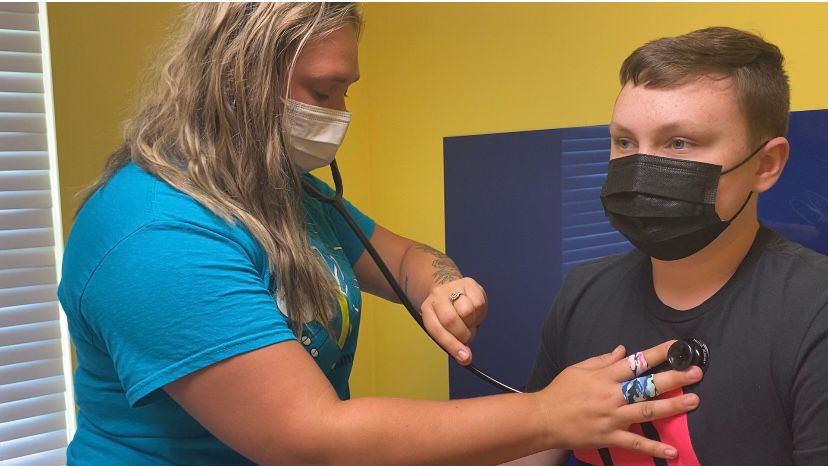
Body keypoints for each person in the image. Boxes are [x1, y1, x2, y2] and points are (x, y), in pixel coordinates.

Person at [57, 4, 702, 465]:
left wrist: (440, 287)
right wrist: (549, 413)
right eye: (321, 91)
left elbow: (405, 256)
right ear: (233, 82)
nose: (339, 117)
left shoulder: (281, 192)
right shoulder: (155, 236)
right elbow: (307, 439)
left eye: (345, 92)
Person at [519, 27, 828, 465]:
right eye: (625, 142)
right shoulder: (582, 293)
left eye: (678, 143)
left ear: (765, 164)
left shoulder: (815, 312)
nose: (640, 169)